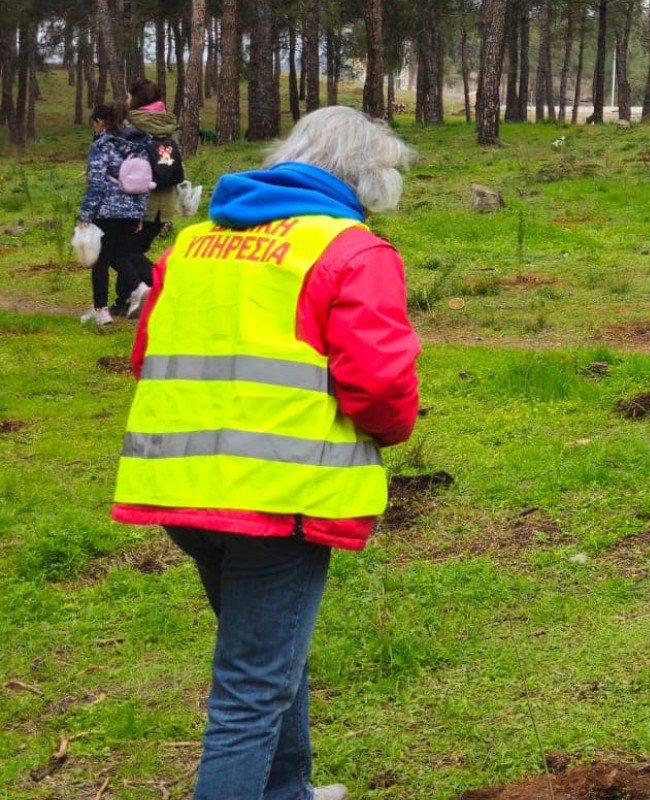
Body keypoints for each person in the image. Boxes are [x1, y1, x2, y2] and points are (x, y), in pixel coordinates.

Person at [111, 106, 421, 800]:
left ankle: (288, 791)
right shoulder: (349, 251)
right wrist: (388, 429)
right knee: (252, 689)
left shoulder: (191, 246)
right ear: (365, 178)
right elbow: (381, 388)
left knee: (270, 657)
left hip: (181, 490)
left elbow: (146, 357)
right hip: (279, 500)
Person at [76, 102, 153, 326]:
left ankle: (101, 311)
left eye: (95, 124)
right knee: (119, 254)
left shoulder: (102, 145)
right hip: (131, 212)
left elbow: (96, 184)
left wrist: (85, 214)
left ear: (100, 122)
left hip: (106, 211)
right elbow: (144, 181)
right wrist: (139, 213)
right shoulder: (140, 145)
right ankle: (138, 287)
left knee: (100, 260)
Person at [127, 78, 181, 317]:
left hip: (140, 202)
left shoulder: (134, 127)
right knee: (134, 248)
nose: (126, 101)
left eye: (129, 97)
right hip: (165, 203)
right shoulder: (168, 126)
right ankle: (126, 299)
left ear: (137, 100)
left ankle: (165, 290)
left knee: (125, 251)